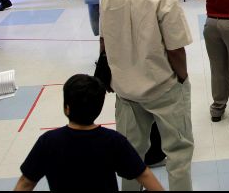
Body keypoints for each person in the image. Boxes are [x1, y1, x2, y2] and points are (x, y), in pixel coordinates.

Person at [100, 0, 194, 191]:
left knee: (130, 155)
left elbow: (104, 38)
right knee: (178, 153)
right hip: (162, 86)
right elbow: (176, 49)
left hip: (126, 88)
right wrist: (182, 78)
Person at [15, 74, 164, 192]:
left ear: (67, 108)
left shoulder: (48, 141)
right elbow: (143, 174)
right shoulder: (113, 141)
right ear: (98, 109)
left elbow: (26, 182)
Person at [98, 0, 168, 169]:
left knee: (129, 109)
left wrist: (104, 58)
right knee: (156, 105)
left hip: (120, 52)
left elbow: (104, 21)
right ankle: (156, 152)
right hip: (148, 52)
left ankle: (134, 156)